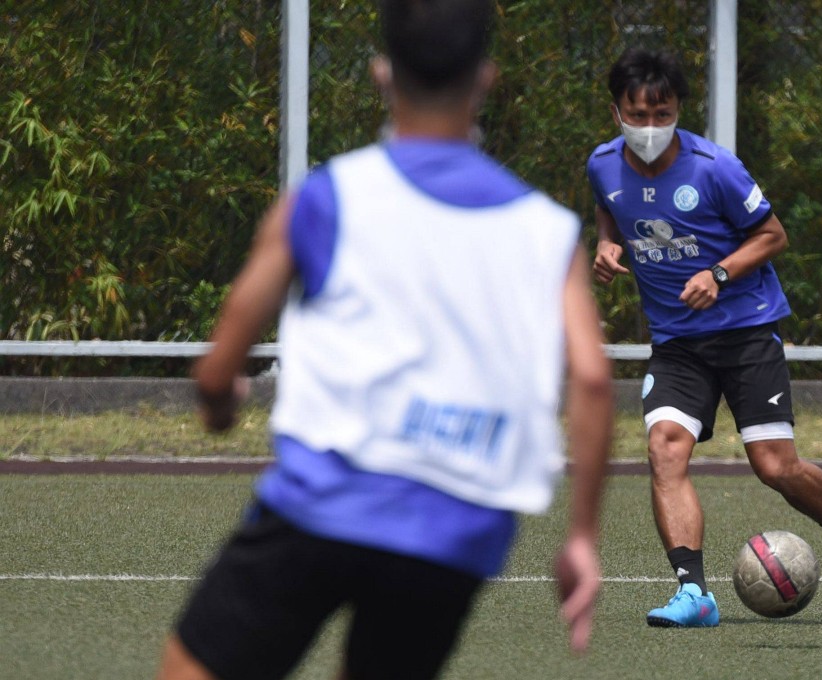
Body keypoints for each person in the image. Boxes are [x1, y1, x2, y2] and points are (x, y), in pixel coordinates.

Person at [155, 1, 614, 678]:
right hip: (452, 537)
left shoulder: (326, 197)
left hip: (321, 507)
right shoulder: (545, 232)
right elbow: (595, 380)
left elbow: (218, 365)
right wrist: (581, 536)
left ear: (381, 74)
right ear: (484, 79)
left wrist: (221, 406)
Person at [586, 47, 822, 628]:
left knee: (774, 467)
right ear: (616, 111)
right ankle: (693, 593)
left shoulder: (713, 167)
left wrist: (719, 273)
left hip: (746, 332)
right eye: (637, 115)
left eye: (662, 113)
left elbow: (773, 235)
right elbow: (608, 205)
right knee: (664, 446)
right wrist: (605, 243)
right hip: (677, 342)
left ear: (678, 109)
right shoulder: (602, 164)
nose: (650, 127)